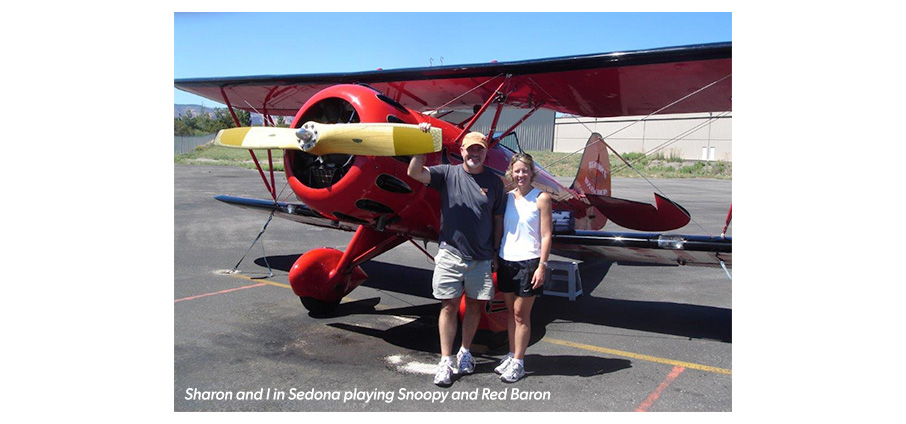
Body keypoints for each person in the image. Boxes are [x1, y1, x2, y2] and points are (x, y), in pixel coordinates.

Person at [407, 127, 505, 387]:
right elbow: (415, 173)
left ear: (486, 153)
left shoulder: (495, 182)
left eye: (479, 149)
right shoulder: (447, 173)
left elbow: (498, 220)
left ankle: (465, 353)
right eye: (470, 148)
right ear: (461, 151)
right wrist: (421, 144)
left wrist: (495, 252)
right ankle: (446, 360)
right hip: (450, 253)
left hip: (482, 257)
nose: (474, 153)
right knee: (448, 306)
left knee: (474, 306)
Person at [494, 153, 552, 383]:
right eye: (517, 171)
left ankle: (519, 362)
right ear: (511, 172)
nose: (521, 175)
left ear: (532, 173)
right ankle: (511, 354)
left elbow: (547, 235)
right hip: (507, 260)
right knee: (511, 313)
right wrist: (495, 255)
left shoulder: (542, 198)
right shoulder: (507, 198)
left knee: (521, 314)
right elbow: (500, 230)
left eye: (525, 171)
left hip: (529, 262)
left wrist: (542, 266)